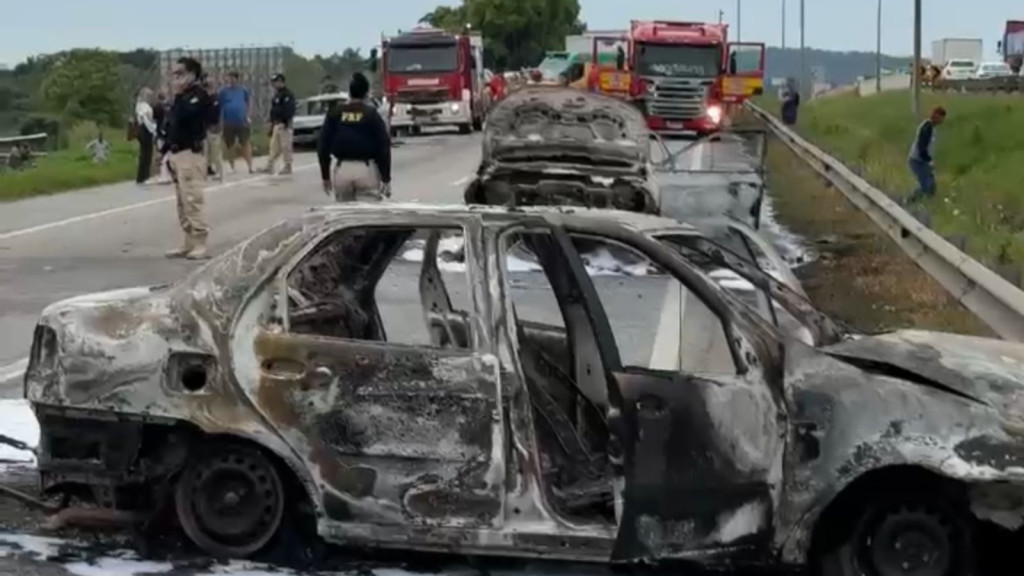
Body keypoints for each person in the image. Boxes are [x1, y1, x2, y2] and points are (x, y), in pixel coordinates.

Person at [163, 56, 214, 260]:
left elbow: (189, 118)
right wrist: (164, 151)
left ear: (192, 75)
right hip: (176, 153)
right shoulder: (180, 98)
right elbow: (172, 126)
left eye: (180, 74)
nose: (176, 78)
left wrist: (178, 96)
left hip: (190, 154)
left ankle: (200, 242)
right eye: (174, 74)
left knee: (192, 199)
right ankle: (188, 241)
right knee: (182, 202)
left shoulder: (198, 96)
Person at [317, 71, 392, 202]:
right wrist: (386, 178)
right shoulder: (371, 114)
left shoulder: (335, 113)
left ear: (349, 93)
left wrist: (325, 176)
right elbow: (383, 147)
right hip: (366, 169)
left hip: (342, 170)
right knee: (368, 215)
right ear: (366, 94)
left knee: (345, 216)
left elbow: (323, 146)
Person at [907, 106, 946, 204]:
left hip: (922, 160)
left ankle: (927, 204)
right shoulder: (927, 127)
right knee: (926, 185)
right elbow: (922, 146)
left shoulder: (931, 127)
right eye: (941, 118)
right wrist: (929, 160)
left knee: (931, 186)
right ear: (936, 116)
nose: (942, 121)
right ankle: (909, 201)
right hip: (917, 161)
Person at [218, 71, 253, 174]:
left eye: (233, 78)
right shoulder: (223, 92)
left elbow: (249, 102)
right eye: (229, 78)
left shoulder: (243, 90)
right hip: (228, 121)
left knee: (245, 142)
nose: (231, 80)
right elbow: (219, 106)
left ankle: (250, 166)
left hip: (242, 120)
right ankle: (232, 166)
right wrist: (220, 121)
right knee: (229, 145)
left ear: (237, 79)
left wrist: (248, 115)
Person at [262, 73, 296, 175]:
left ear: (281, 82)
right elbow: (273, 110)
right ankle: (270, 165)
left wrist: (285, 122)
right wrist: (271, 123)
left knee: (286, 146)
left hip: (284, 124)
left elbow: (289, 109)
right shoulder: (276, 95)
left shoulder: (288, 94)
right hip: (276, 124)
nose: (274, 84)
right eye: (273, 82)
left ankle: (287, 165)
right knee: (274, 147)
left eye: (276, 82)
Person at [203, 75, 224, 181]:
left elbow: (216, 114)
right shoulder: (205, 99)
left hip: (214, 128)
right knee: (205, 152)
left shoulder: (215, 98)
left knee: (216, 152)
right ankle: (205, 172)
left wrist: (217, 126)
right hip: (205, 127)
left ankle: (219, 173)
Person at [134, 88, 157, 183]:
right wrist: (153, 129)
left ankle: (142, 175)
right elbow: (146, 120)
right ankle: (144, 176)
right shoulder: (145, 107)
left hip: (141, 129)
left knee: (144, 153)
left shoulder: (139, 105)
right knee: (147, 153)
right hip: (145, 129)